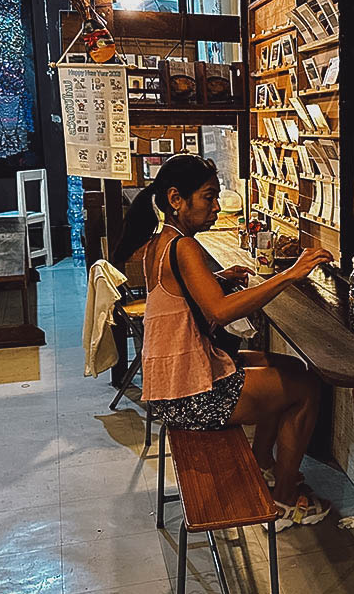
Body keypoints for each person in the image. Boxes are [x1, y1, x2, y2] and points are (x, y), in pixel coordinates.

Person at [113, 154, 333, 529]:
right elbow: (218, 313)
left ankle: (264, 467)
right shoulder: (184, 248)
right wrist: (288, 276)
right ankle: (281, 503)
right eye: (208, 197)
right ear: (176, 199)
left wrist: (222, 279)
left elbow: (188, 297)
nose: (216, 207)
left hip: (174, 385)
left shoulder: (162, 241)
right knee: (307, 388)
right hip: (191, 397)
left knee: (291, 368)